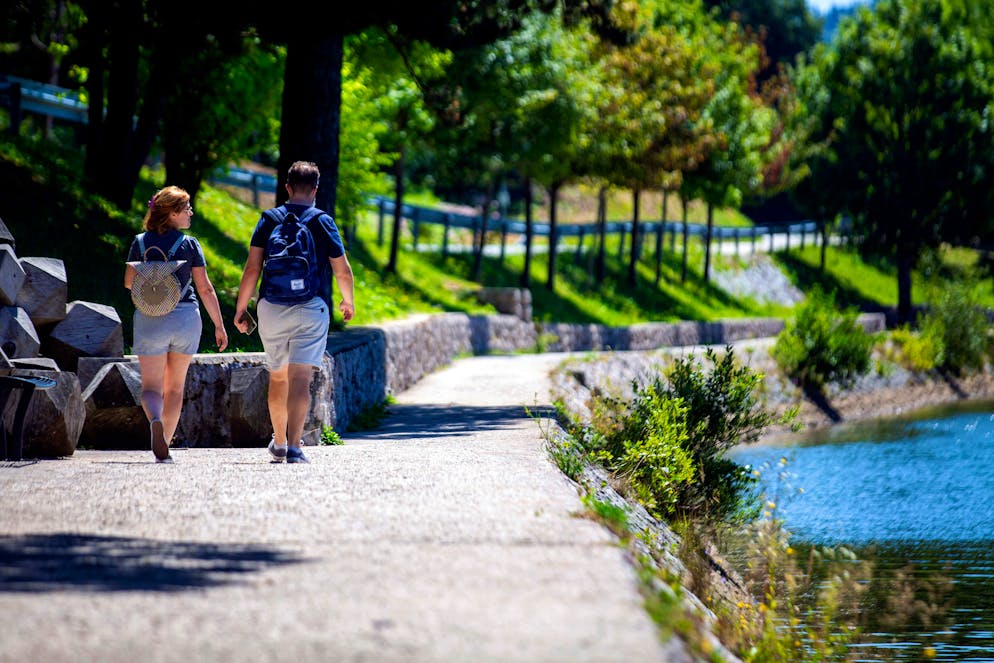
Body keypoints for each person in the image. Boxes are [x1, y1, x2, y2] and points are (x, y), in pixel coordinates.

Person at [234, 161, 355, 464]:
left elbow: (252, 268)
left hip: (272, 307)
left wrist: (241, 307)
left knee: (278, 378)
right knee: (300, 379)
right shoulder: (322, 221)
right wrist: (348, 301)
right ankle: (295, 448)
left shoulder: (269, 219)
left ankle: (278, 443)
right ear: (315, 189)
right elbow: (342, 270)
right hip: (310, 307)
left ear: (287, 187)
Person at [125, 185, 228, 463]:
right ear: (172, 213)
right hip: (185, 319)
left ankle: (155, 420)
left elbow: (128, 283)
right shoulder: (190, 244)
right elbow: (205, 289)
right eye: (186, 209)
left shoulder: (140, 242)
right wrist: (219, 326)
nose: (191, 213)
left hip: (150, 319)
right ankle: (165, 447)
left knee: (151, 388)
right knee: (175, 388)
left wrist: (153, 276)